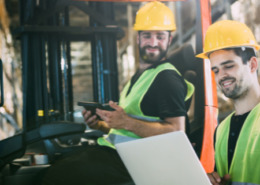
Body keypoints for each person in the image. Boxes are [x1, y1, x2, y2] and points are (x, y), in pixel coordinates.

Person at [42, 2, 194, 185]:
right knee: (56, 169)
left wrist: (126, 122)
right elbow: (125, 131)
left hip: (134, 162)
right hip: (117, 153)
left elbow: (176, 132)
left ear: (169, 40)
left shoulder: (167, 78)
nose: (153, 43)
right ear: (138, 38)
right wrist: (100, 125)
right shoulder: (138, 78)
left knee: (55, 178)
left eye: (160, 37)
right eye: (147, 36)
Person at [197, 20, 260, 185]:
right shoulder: (221, 131)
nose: (221, 76)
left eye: (229, 66)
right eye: (216, 70)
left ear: (252, 64)